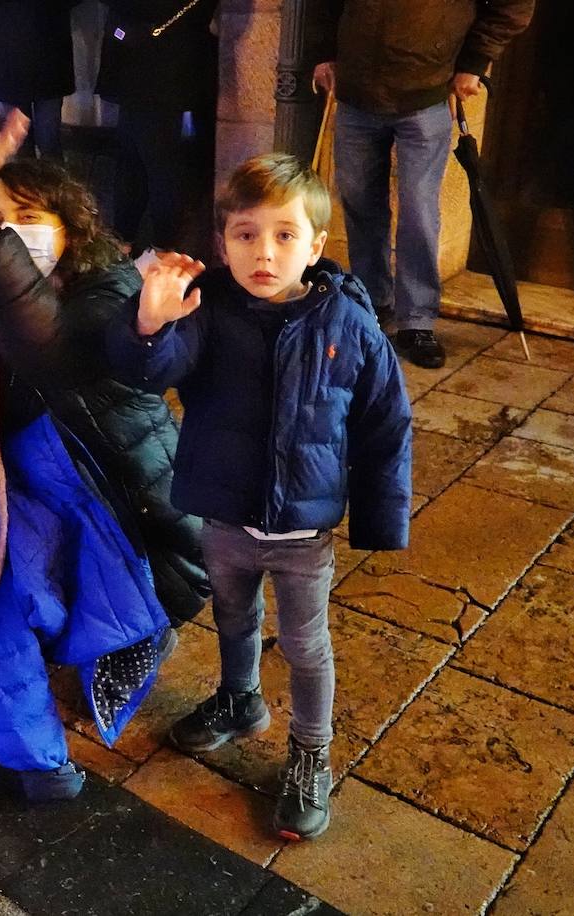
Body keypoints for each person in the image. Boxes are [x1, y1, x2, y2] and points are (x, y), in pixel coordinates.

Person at [0, 110, 209, 802]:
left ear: (71, 227)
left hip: (124, 525)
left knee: (24, 593)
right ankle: (40, 764)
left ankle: (127, 637)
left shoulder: (111, 292)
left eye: (25, 218)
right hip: (21, 499)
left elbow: (51, 351)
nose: (4, 232)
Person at [106, 153, 412, 839]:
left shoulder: (348, 322)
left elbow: (385, 423)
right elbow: (149, 371)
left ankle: (310, 753)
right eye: (245, 234)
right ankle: (240, 699)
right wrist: (149, 323)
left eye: (284, 235)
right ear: (223, 243)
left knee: (305, 645)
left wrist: (382, 517)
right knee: (234, 618)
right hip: (225, 517)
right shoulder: (207, 308)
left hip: (303, 531)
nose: (264, 253)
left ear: (316, 246)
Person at [311, 0, 535, 368]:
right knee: (359, 203)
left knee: (418, 211)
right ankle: (370, 304)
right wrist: (323, 53)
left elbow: (514, 5)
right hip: (356, 93)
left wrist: (473, 63)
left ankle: (417, 321)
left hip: (427, 94)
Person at [95, 0, 219, 256]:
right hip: (171, 70)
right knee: (150, 161)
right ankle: (149, 244)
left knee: (147, 164)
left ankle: (151, 246)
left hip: (153, 71)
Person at [0, 0, 78, 159]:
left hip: (49, 54)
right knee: (19, 141)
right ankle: (27, 174)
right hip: (9, 54)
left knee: (48, 139)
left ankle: (48, 175)